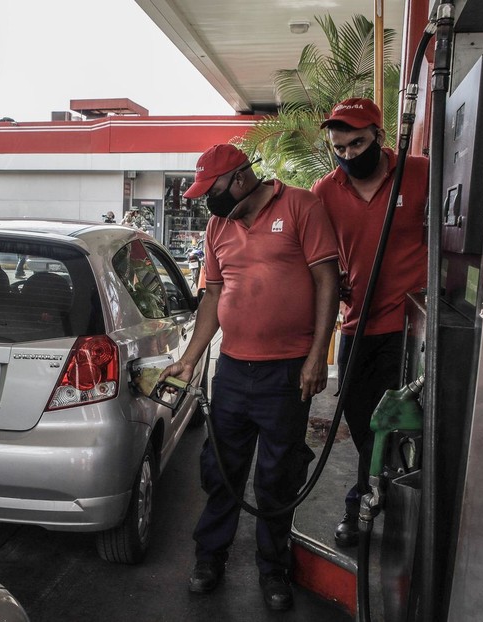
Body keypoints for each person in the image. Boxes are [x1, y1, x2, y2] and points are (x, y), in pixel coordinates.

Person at [160, 143, 339, 611]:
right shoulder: (218, 225)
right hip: (234, 369)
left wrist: (317, 356)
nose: (207, 201)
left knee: (278, 475)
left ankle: (273, 567)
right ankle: (209, 557)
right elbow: (212, 298)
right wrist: (191, 357)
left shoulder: (301, 206)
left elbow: (327, 282)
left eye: (212, 189)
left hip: (287, 371)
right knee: (221, 469)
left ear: (239, 177)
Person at [310, 98, 428, 547]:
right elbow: (319, 256)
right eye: (340, 147)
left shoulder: (418, 173)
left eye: (358, 143)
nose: (349, 155)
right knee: (364, 425)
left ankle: (362, 507)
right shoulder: (325, 190)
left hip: (410, 329)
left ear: (380, 135)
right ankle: (376, 494)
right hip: (357, 327)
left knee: (401, 426)